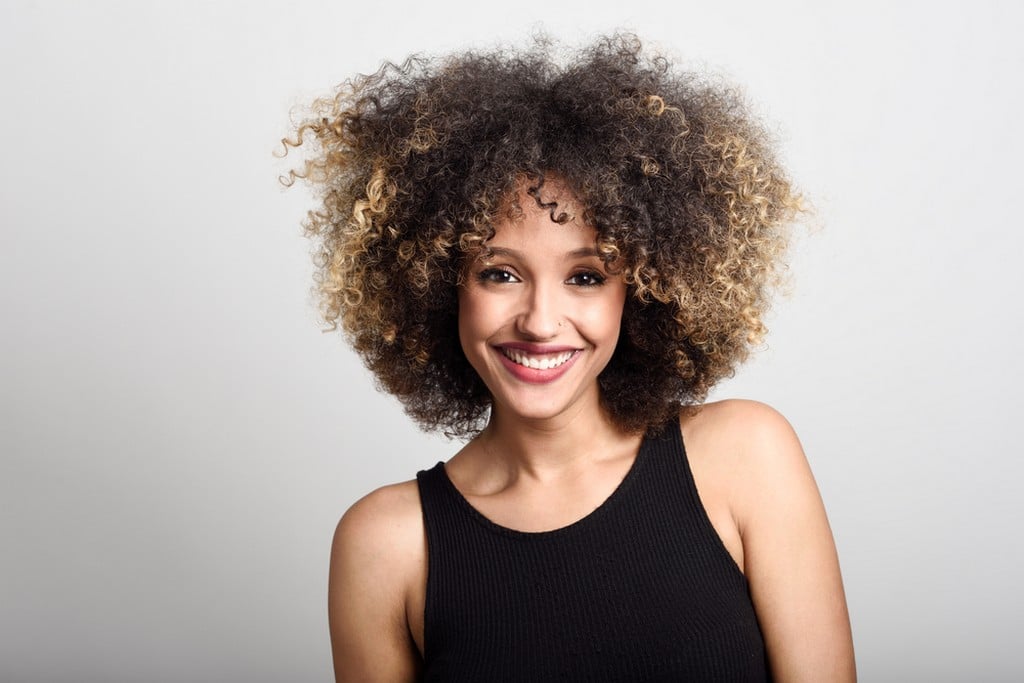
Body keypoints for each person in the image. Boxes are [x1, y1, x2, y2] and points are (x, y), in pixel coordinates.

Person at [284, 33, 855, 682]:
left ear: (638, 292)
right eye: (500, 273)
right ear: (441, 285)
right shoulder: (386, 546)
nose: (540, 321)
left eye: (585, 276)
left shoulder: (745, 456)